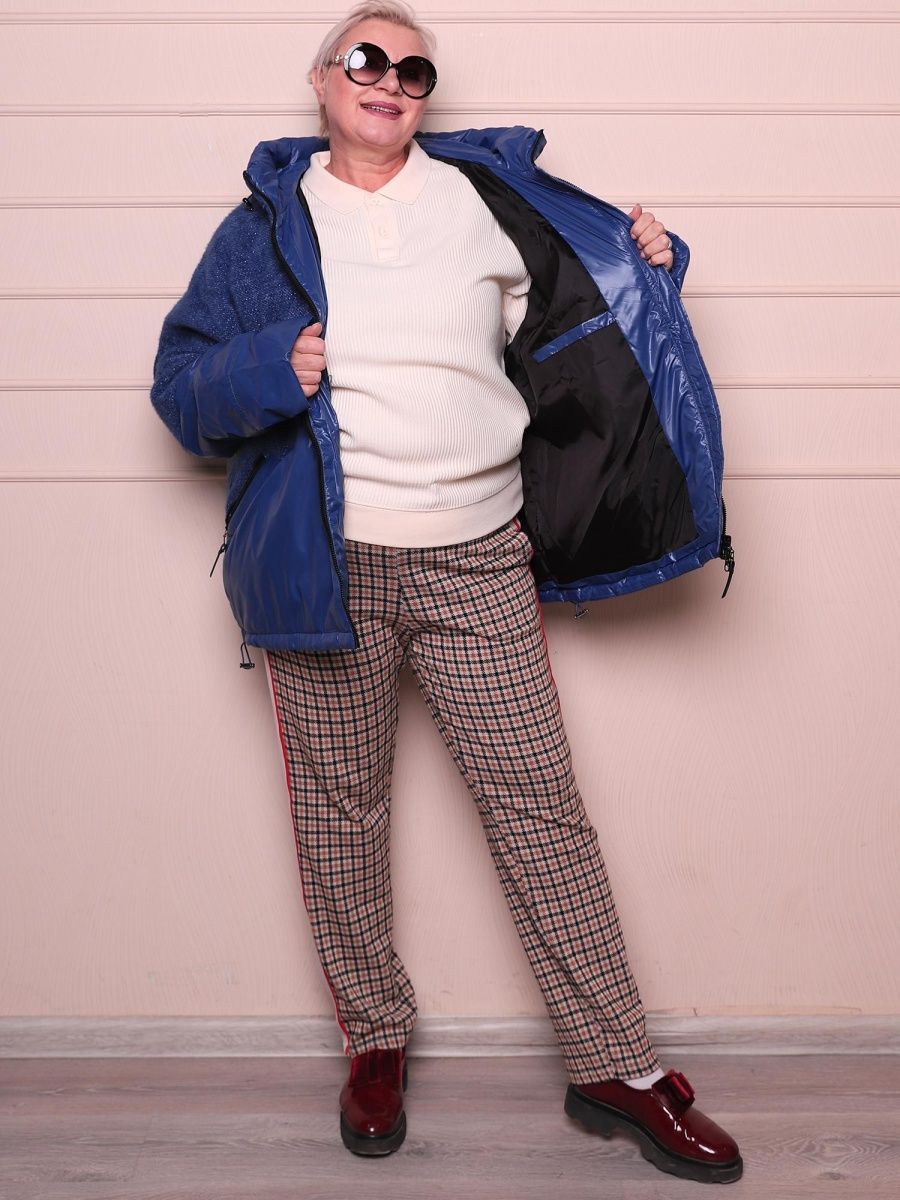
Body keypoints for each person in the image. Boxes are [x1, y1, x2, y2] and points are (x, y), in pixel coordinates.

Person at [150, 0, 740, 1183]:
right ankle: (374, 1040)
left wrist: (653, 265)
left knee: (541, 813)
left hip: (477, 555)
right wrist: (270, 365)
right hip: (327, 561)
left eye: (414, 69)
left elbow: (592, 319)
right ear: (323, 78)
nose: (391, 80)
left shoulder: (488, 202)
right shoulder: (262, 231)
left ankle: (615, 1067)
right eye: (367, 59)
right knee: (341, 816)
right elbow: (180, 390)